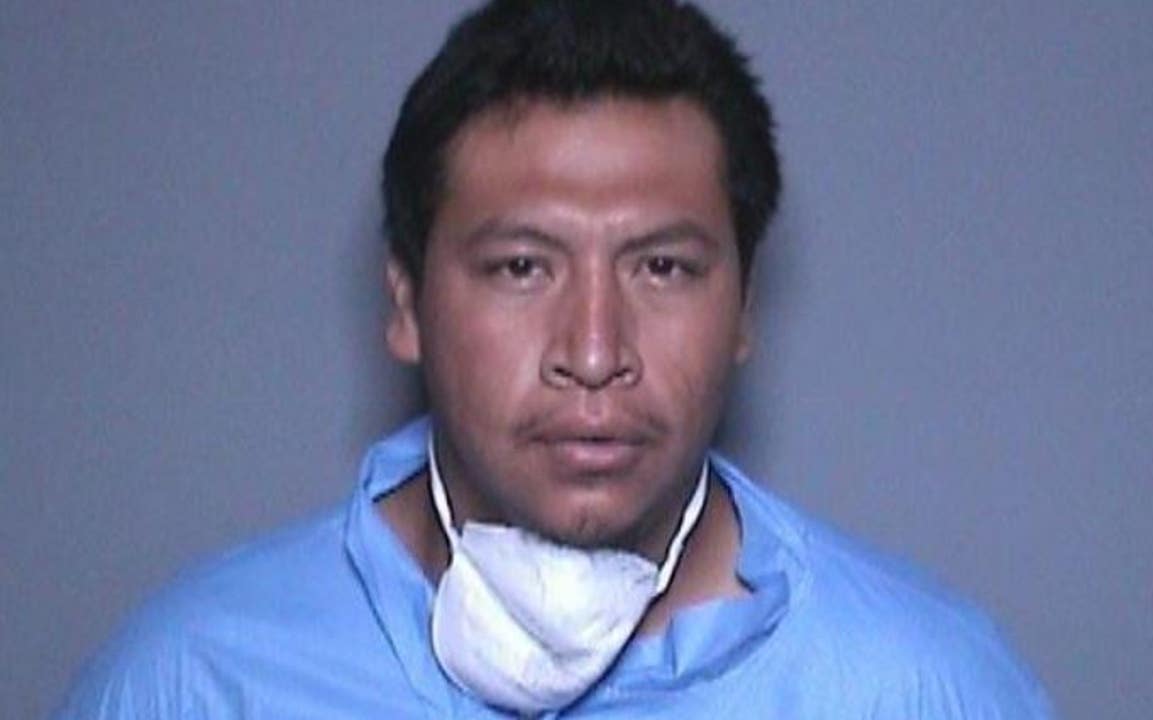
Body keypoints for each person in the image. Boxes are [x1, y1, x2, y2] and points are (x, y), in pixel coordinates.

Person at [56, 1, 1054, 717]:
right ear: (405, 302)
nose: (593, 351)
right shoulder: (195, 683)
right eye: (522, 267)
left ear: (744, 308)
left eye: (662, 267)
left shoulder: (919, 689)